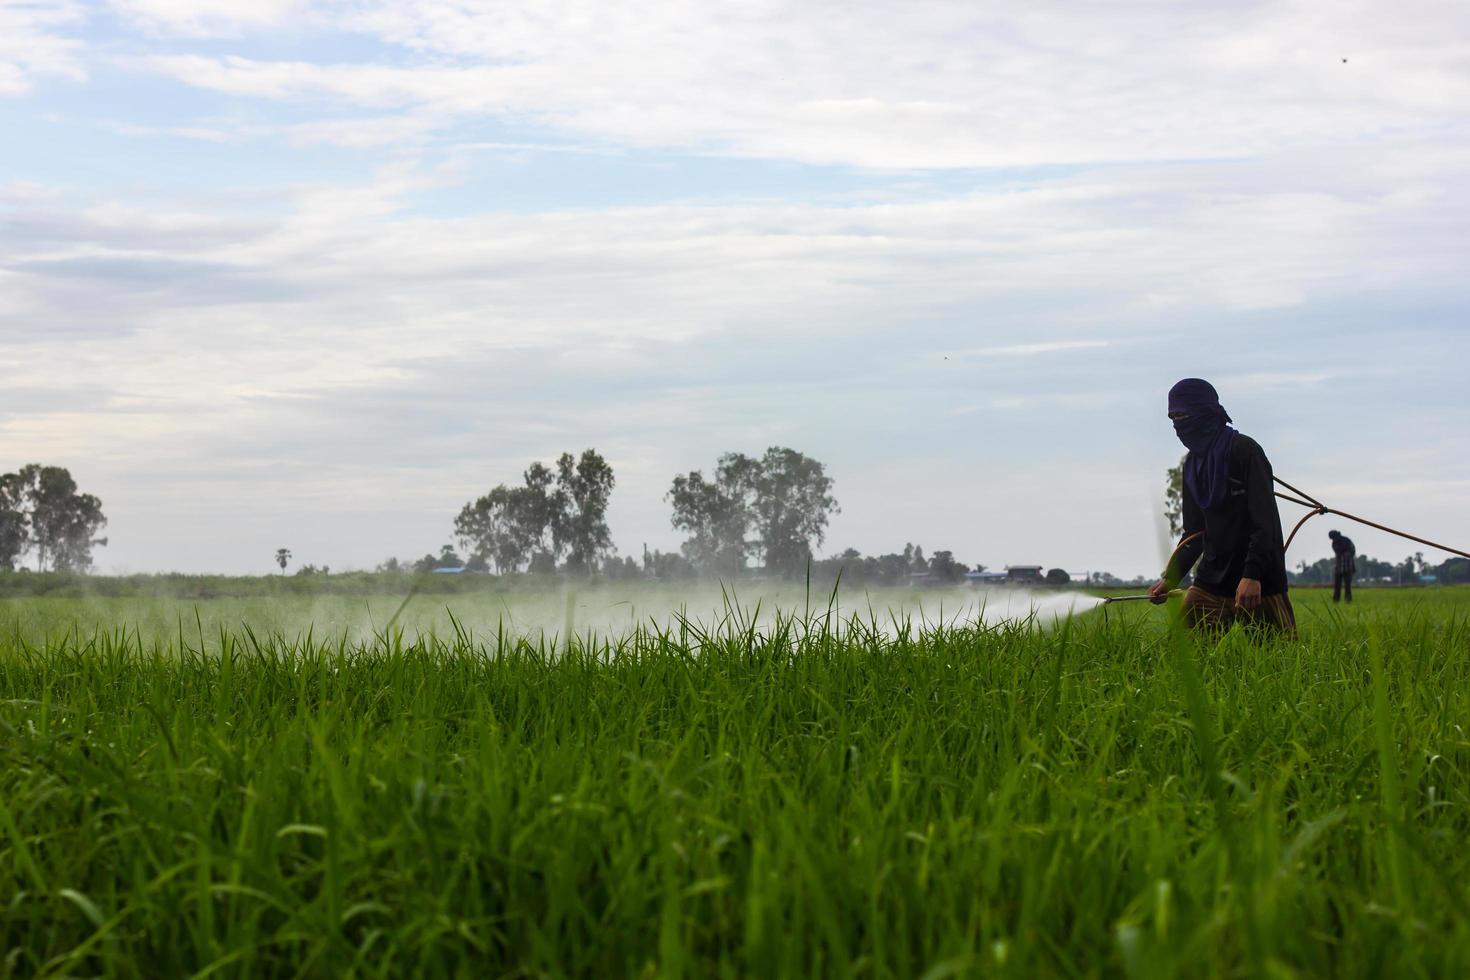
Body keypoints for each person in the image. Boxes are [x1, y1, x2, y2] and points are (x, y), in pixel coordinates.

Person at [1148, 378, 1295, 635]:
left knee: (1280, 662)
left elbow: (1265, 521)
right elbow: (1194, 533)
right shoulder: (1192, 465)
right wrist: (1171, 578)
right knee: (1186, 659)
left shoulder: (1245, 451)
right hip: (1212, 580)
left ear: (1203, 411)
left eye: (1181, 415)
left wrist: (1252, 576)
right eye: (1172, 418)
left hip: (1260, 581)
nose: (1177, 425)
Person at [1329, 529, 1356, 603]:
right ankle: (1336, 600)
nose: (1333, 539)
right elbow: (1338, 551)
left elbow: (1353, 550)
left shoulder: (1346, 540)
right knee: (1337, 586)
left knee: (1347, 586)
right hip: (1339, 567)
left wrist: (1348, 555)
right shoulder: (1335, 543)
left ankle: (1348, 600)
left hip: (1348, 566)